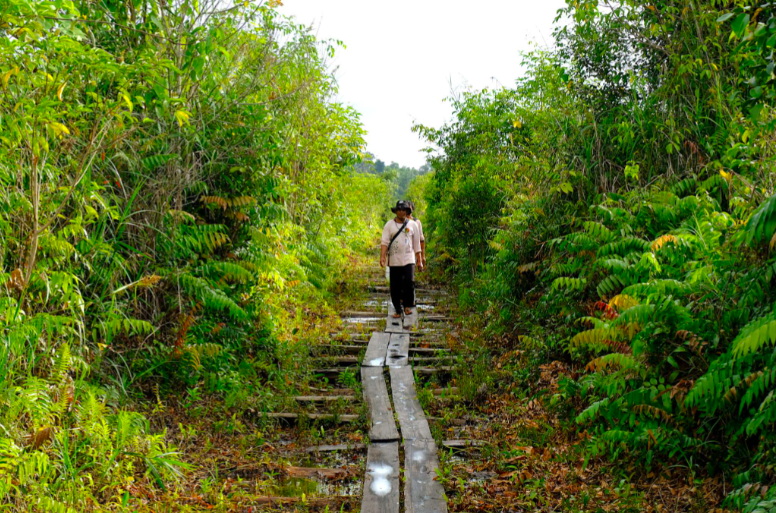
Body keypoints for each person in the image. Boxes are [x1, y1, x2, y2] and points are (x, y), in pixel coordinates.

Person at [380, 200, 422, 318]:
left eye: (404, 210)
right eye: (399, 210)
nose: (401, 212)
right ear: (396, 211)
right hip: (394, 260)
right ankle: (398, 309)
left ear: (407, 211)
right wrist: (382, 256)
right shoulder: (389, 225)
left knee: (409, 282)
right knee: (395, 285)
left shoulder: (413, 225)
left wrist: (419, 260)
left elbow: (416, 244)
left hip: (409, 258)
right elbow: (384, 242)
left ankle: (408, 306)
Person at [407, 201, 426, 271]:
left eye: (409, 209)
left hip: (413, 252)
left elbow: (421, 240)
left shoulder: (417, 222)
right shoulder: (399, 222)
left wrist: (422, 257)